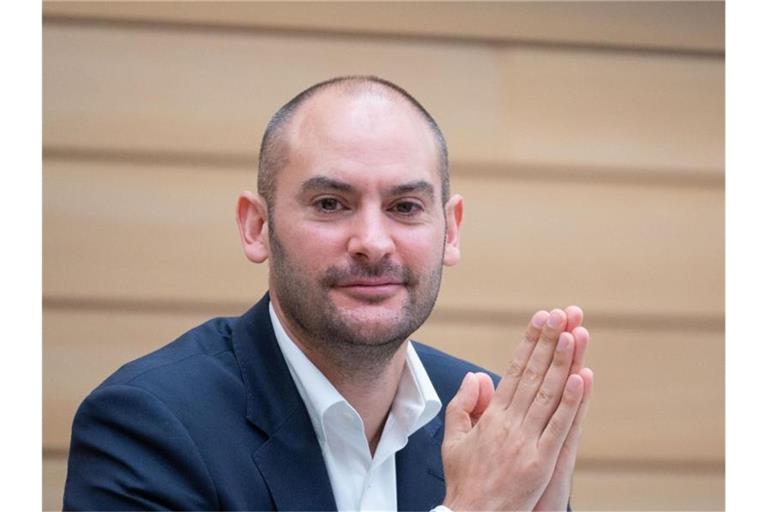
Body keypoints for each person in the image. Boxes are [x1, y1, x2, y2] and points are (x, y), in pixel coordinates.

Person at [63, 76, 594, 511]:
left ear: (450, 231)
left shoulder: (489, 422)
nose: (371, 242)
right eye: (330, 204)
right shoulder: (149, 424)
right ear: (256, 227)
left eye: (406, 207)